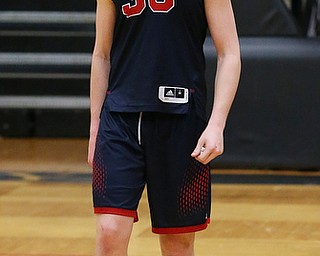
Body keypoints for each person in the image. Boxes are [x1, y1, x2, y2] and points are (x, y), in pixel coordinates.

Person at [88, 0, 241, 255]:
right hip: (119, 119)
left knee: (178, 243)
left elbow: (230, 53)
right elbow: (101, 54)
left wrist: (217, 123)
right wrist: (95, 126)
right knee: (109, 231)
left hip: (182, 120)